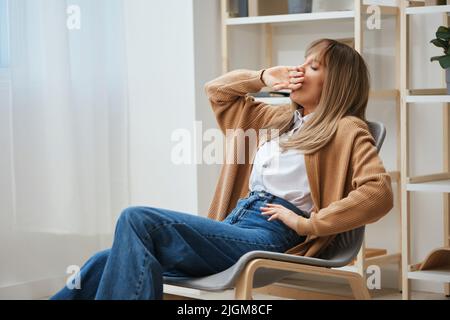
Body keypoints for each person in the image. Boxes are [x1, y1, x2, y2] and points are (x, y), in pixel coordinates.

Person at [50, 38, 394, 300]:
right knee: (103, 261)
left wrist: (308, 223)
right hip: (232, 226)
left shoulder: (347, 128)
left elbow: (377, 193)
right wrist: (262, 77)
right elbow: (217, 92)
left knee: (136, 219)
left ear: (338, 83)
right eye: (302, 62)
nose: (300, 70)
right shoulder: (279, 119)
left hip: (269, 236)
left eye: (314, 66)